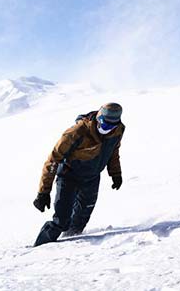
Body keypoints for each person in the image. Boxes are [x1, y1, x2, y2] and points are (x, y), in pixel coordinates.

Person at [32, 102, 125, 246]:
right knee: (61, 220)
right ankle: (40, 247)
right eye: (105, 125)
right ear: (98, 119)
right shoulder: (77, 132)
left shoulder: (118, 130)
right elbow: (53, 160)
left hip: (92, 178)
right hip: (69, 176)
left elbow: (113, 152)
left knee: (81, 219)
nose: (108, 129)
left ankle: (71, 247)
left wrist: (115, 174)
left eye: (112, 126)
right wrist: (43, 192)